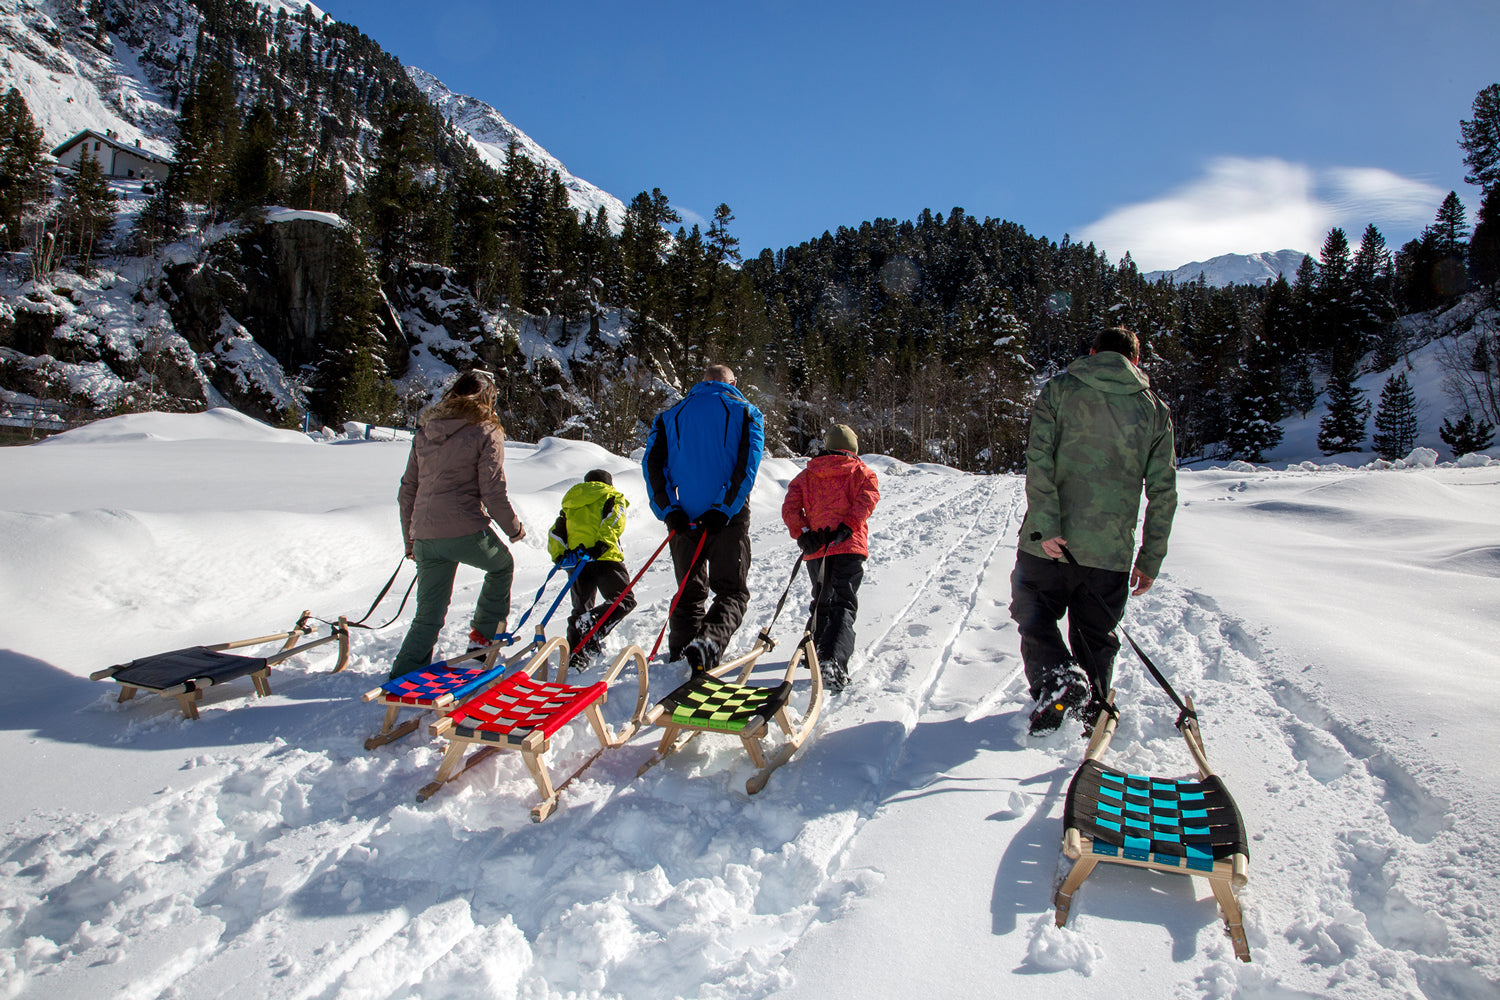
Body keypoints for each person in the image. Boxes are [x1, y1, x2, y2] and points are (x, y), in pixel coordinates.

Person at [1011, 326, 1177, 735]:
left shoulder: (1060, 390)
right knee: (1096, 634)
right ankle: (1091, 713)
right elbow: (1163, 490)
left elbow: (1039, 460)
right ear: (1135, 361)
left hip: (1047, 545)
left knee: (1033, 614)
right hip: (1109, 550)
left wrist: (1047, 526)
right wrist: (1150, 558)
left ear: (1091, 352)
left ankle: (1058, 681)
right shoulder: (1154, 410)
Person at [391, 369, 527, 678]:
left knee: (427, 615)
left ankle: (403, 674)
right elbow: (491, 488)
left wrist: (410, 540)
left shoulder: (425, 431)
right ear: (486, 398)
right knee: (501, 566)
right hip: (465, 528)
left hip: (424, 533)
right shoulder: (486, 430)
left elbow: (407, 491)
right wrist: (513, 529)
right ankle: (481, 643)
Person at [642, 363, 765, 670]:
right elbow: (746, 468)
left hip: (684, 519)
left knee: (688, 591)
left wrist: (669, 510)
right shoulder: (747, 412)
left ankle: (680, 657)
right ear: (733, 382)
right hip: (727, 518)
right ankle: (707, 645)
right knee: (732, 592)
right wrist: (723, 507)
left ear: (702, 383)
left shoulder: (670, 415)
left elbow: (653, 467)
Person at [781, 424, 880, 693]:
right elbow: (867, 501)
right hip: (848, 545)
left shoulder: (808, 474)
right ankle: (832, 660)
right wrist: (847, 526)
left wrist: (803, 534)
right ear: (852, 447)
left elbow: (790, 507)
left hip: (817, 548)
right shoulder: (862, 472)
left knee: (822, 597)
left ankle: (811, 650)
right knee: (843, 603)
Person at [547, 468, 637, 671]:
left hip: (577, 561)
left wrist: (559, 555)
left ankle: (576, 655)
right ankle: (594, 623)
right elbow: (615, 519)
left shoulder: (571, 503)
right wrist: (603, 543)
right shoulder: (612, 495)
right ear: (608, 483)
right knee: (624, 600)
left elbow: (556, 531)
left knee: (580, 609)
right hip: (604, 557)